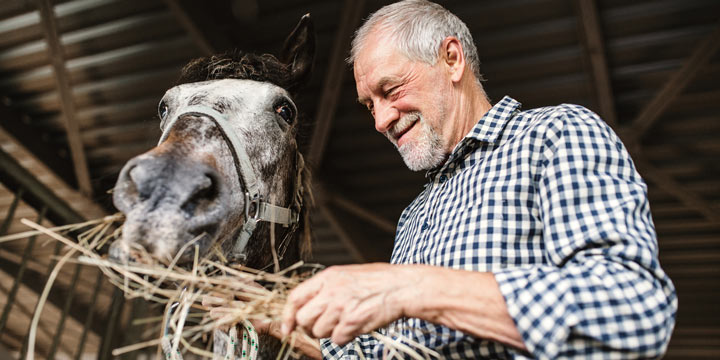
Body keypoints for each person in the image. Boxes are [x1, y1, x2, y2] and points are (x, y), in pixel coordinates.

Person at [263, 1, 677, 358]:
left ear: (452, 58)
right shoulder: (416, 213)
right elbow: (397, 351)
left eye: (390, 90)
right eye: (369, 105)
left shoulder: (554, 135)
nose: (381, 120)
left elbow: (632, 307)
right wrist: (271, 312)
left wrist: (409, 288)